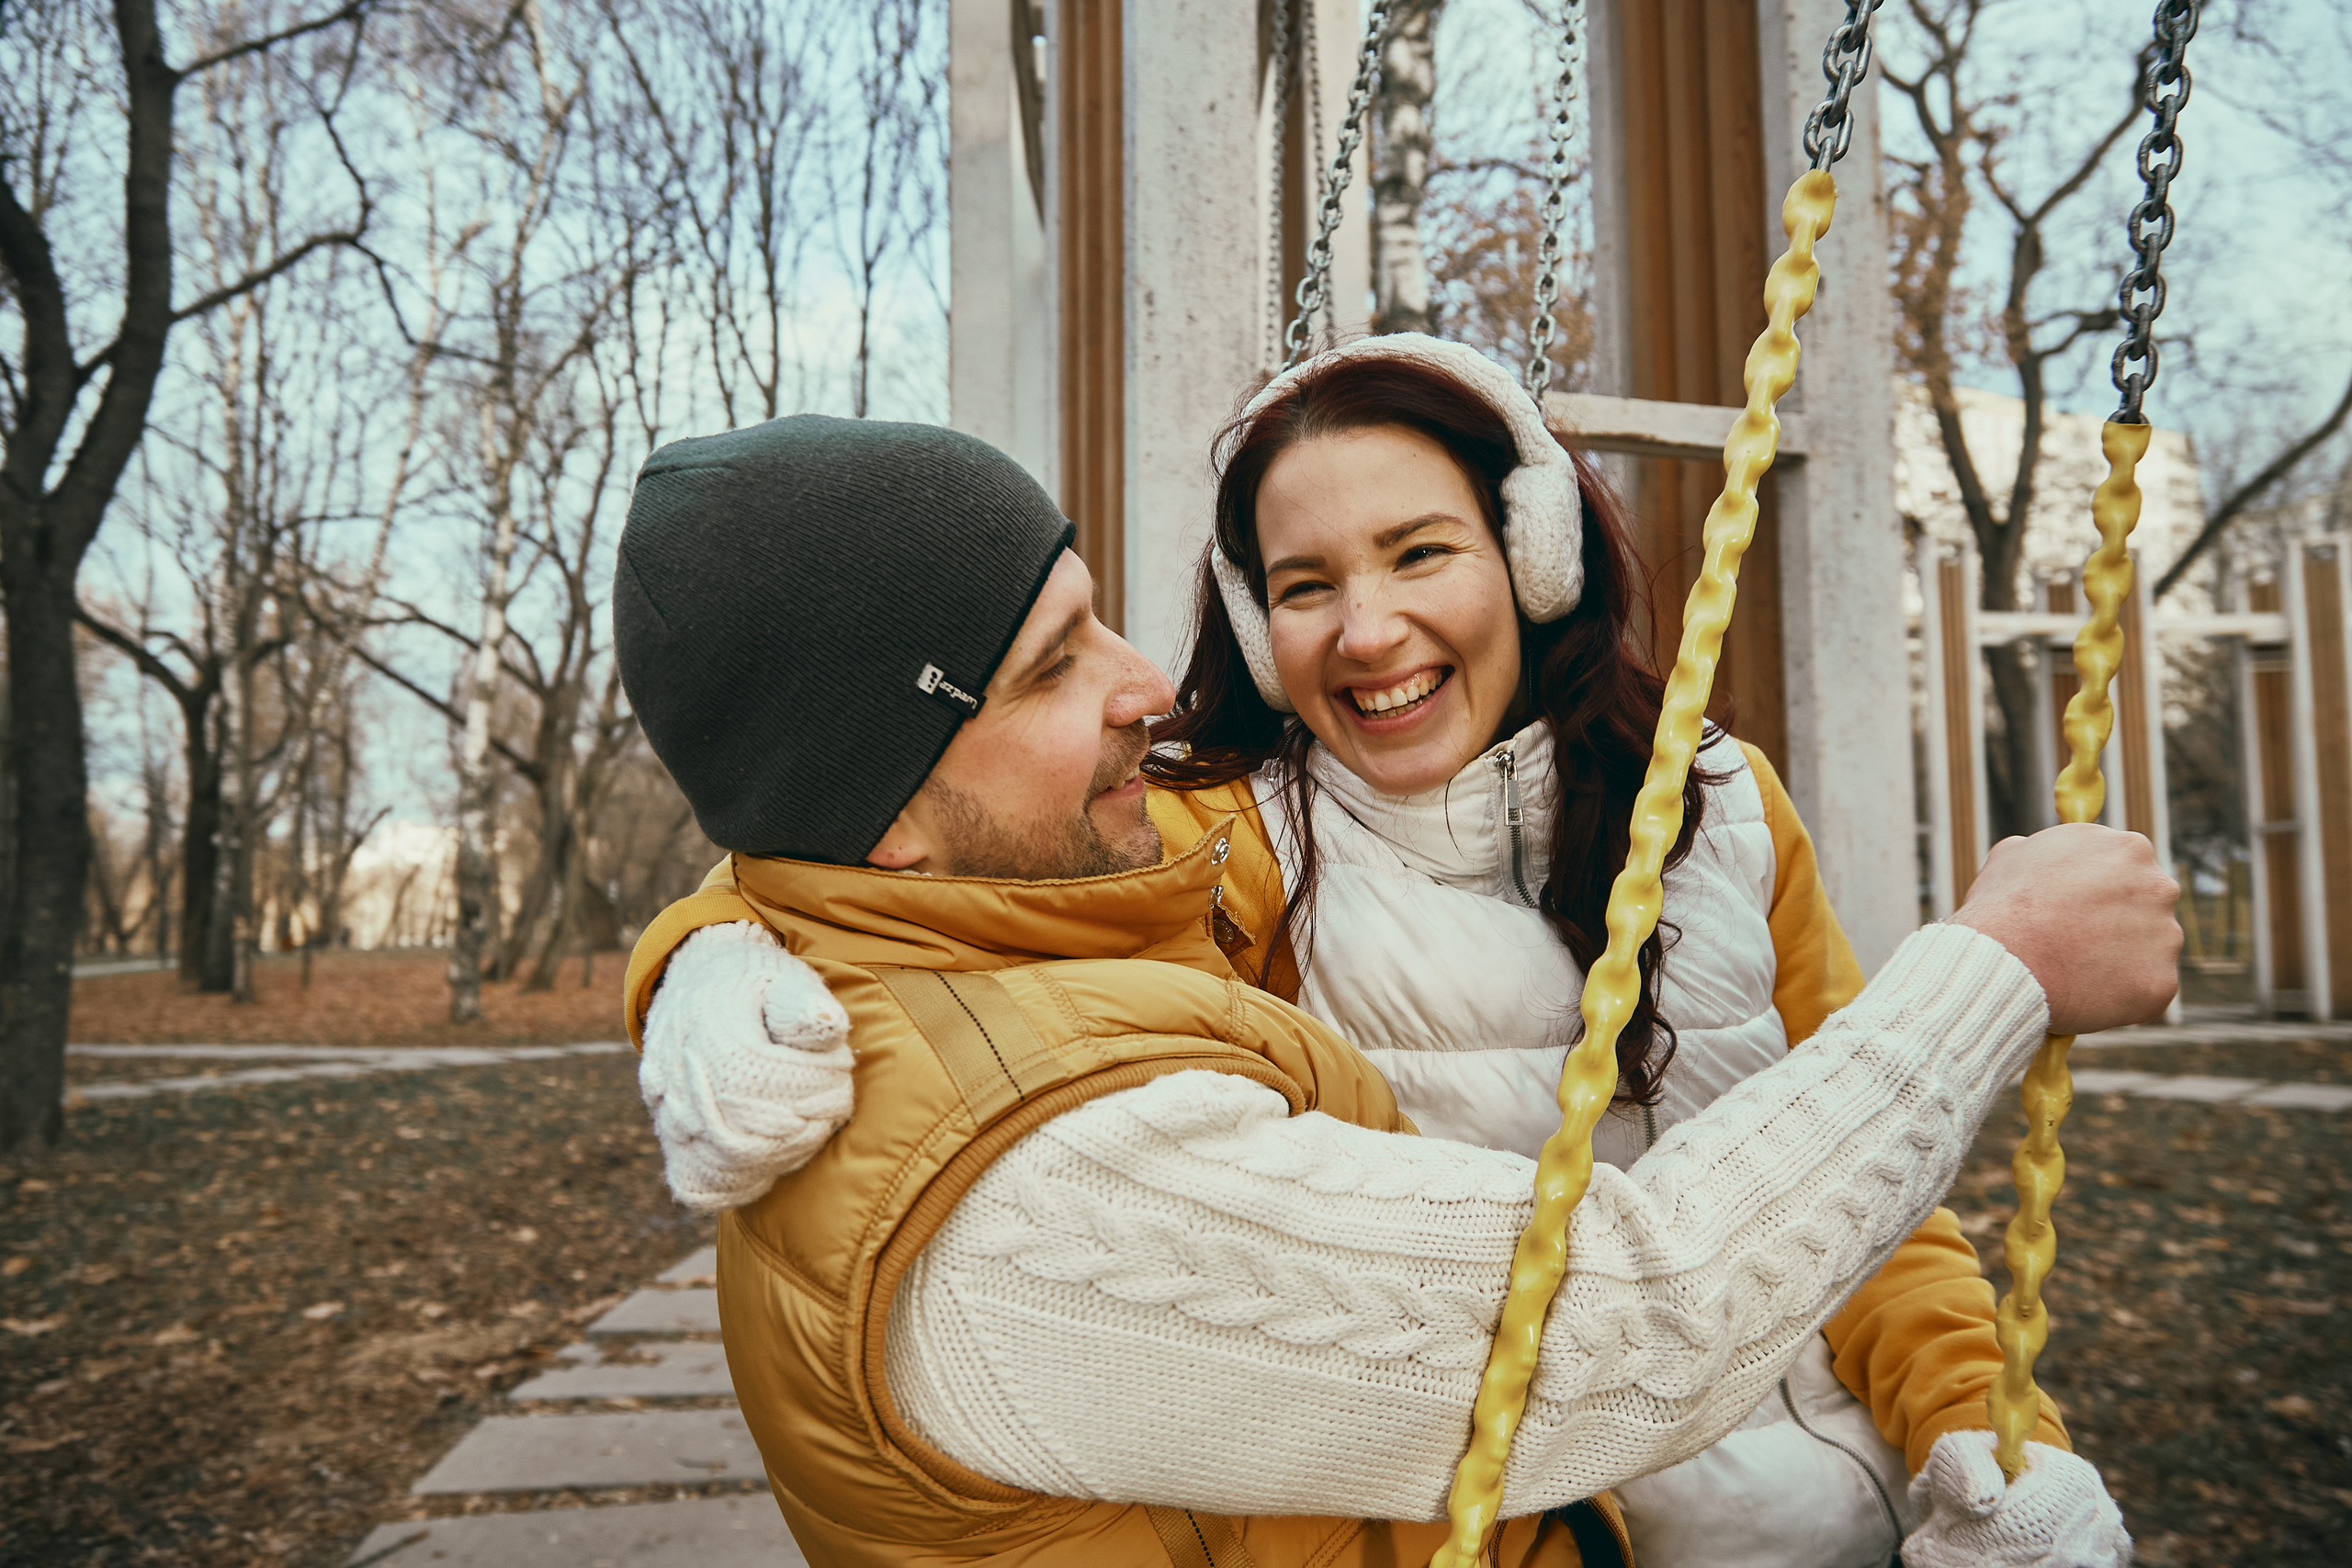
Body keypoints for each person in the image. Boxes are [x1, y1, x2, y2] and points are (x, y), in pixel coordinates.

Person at [613, 410, 2178, 1568]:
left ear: (1533, 553)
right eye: (1303, 583)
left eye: (1422, 551)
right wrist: (710, 957)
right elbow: (848, 837)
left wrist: (1980, 1424)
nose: (1370, 628)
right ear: (1257, 620)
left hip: (1847, 1505)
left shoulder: (1718, 805)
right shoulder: (1233, 840)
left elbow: (1872, 1188)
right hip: (1594, 1485)